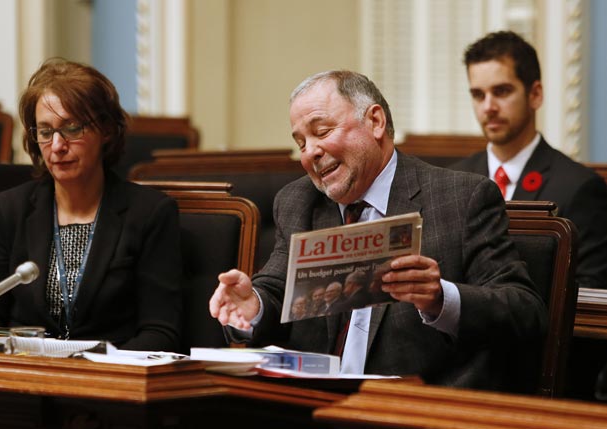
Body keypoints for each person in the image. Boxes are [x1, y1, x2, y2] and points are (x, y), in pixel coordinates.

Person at [209, 69, 547, 392]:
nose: (311, 151)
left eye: (322, 132)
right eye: (301, 143)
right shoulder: (298, 201)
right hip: (313, 404)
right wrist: (253, 305)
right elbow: (275, 288)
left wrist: (439, 298)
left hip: (414, 408)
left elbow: (525, 311)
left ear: (375, 122)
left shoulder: (461, 197)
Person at [0, 58, 183, 352]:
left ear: (106, 131)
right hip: (25, 382)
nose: (58, 146)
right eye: (45, 132)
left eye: (72, 128)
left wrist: (93, 365)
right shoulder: (8, 210)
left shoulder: (149, 213)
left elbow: (161, 332)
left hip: (109, 384)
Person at [450, 30, 607, 290]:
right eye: (478, 95)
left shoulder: (579, 188)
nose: (488, 106)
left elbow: (588, 295)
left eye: (501, 91)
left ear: (535, 94)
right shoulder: (454, 180)